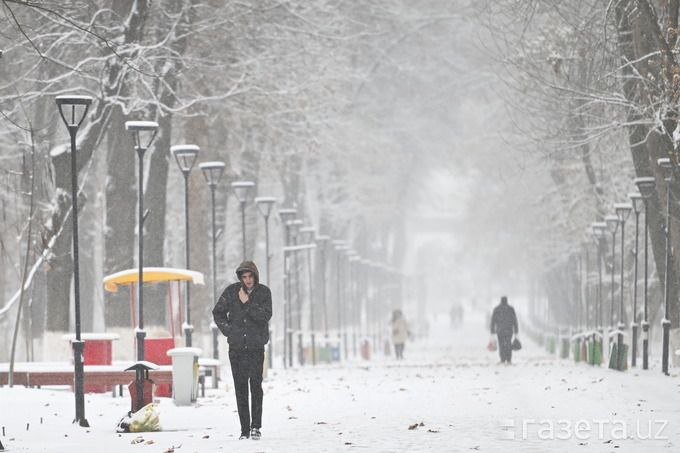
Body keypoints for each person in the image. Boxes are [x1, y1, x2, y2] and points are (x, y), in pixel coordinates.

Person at [212, 261, 272, 440]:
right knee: (240, 389)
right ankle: (244, 430)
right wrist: (230, 331)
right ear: (240, 277)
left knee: (256, 387)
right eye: (244, 277)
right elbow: (218, 313)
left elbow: (265, 316)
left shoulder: (264, 293)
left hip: (255, 348)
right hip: (237, 349)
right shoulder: (231, 292)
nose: (248, 280)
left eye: (250, 276)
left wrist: (248, 303)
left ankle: (256, 427)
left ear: (255, 276)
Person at [490, 296, 518, 364]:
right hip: (509, 330)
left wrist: (492, 330)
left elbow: (493, 320)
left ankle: (502, 359)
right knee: (509, 344)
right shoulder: (510, 309)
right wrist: (516, 329)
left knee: (501, 345)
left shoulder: (497, 309)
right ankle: (508, 359)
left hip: (500, 330)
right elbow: (514, 320)